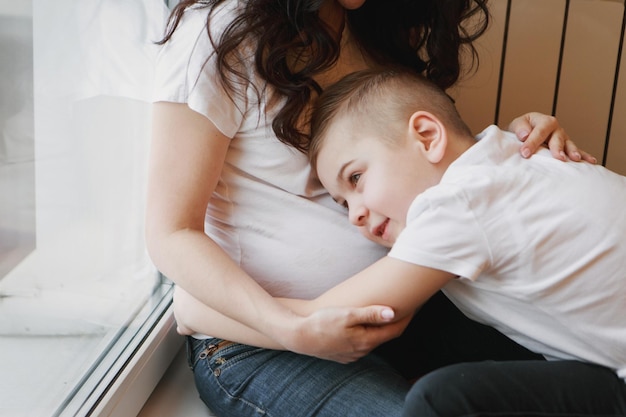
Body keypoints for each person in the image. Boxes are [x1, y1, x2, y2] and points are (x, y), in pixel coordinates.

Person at [146, 1, 596, 416]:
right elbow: (171, 232)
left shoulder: (374, 23)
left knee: (588, 366)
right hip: (264, 342)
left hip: (418, 305)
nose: (355, 215)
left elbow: (432, 162)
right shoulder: (216, 37)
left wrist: (512, 147)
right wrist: (285, 328)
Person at [298, 67, 626, 416]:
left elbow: (329, 314)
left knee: (441, 399)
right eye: (343, 203)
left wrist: (255, 325)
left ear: (427, 137)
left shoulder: (458, 204)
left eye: (356, 177)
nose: (354, 216)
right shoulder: (504, 151)